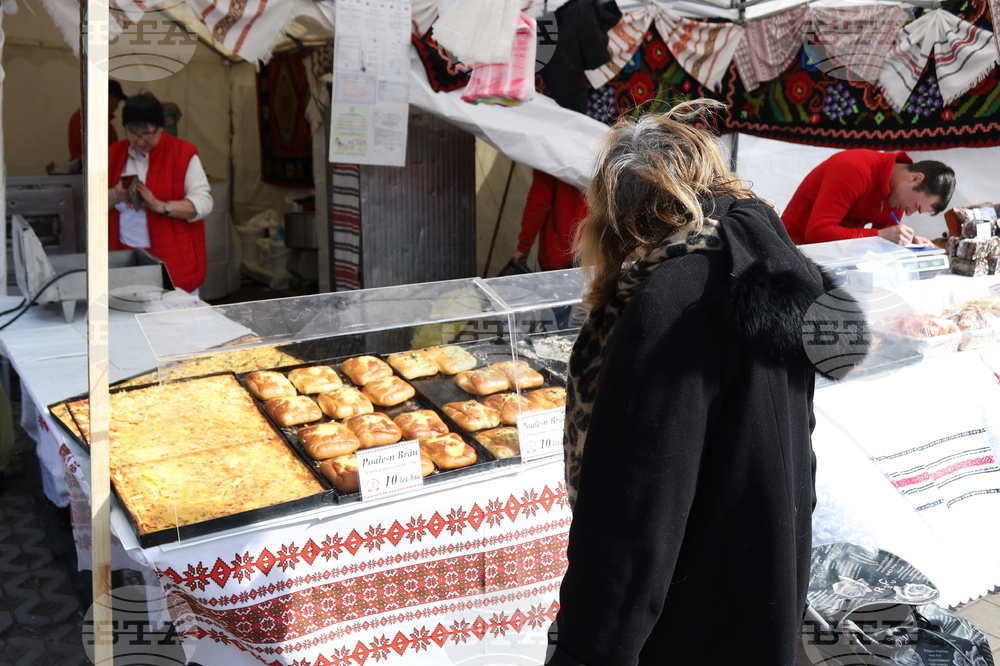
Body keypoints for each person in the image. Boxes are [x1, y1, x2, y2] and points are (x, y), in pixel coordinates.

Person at [546, 100, 868, 666]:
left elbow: (636, 513)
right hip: (764, 582)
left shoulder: (671, 303)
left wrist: (584, 653)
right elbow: (803, 445)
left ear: (619, 215)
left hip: (690, 614)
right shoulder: (771, 265)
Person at [108, 93, 213, 294]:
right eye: (133, 133)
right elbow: (92, 204)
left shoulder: (183, 152)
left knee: (176, 318)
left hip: (173, 256)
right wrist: (116, 194)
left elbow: (203, 203)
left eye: (147, 133)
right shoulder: (114, 153)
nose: (139, 141)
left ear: (161, 127)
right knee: (130, 316)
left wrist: (160, 205)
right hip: (125, 252)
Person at [781, 149, 955, 246]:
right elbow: (817, 233)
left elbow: (885, 240)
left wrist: (908, 242)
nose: (908, 214)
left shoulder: (898, 194)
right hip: (792, 251)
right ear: (915, 178)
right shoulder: (854, 169)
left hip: (832, 258)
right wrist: (879, 234)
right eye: (916, 206)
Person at [511, 169, 588, 271]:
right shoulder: (605, 154)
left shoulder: (551, 157)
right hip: (594, 249)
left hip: (560, 252)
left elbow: (539, 201)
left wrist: (523, 246)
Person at [68, 79, 126, 164]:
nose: (117, 106)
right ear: (110, 98)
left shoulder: (83, 115)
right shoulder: (97, 119)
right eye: (118, 101)